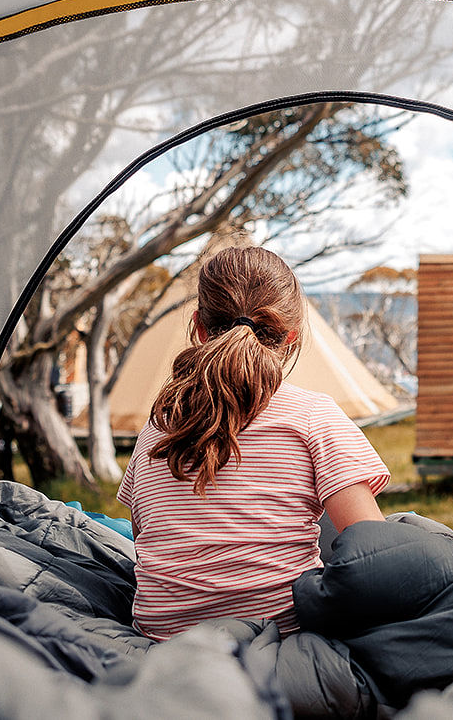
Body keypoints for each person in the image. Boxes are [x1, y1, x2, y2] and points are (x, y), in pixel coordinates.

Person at [117, 245, 390, 640]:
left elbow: (143, 534)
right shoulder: (313, 415)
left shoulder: (159, 424)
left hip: (162, 637)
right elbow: (374, 552)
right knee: (386, 528)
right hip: (279, 636)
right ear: (292, 336)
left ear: (198, 326)